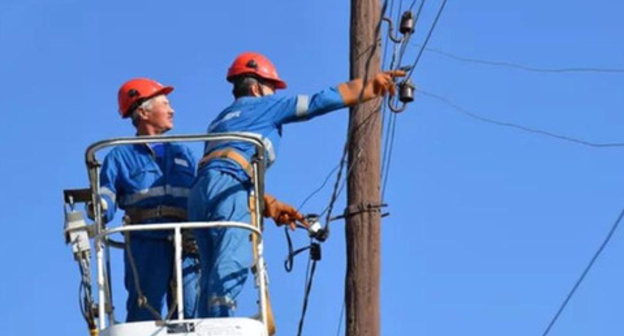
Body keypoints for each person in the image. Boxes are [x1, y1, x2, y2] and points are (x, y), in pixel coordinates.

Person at [188, 51, 405, 318]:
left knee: (209, 264)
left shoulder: (220, 120)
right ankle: (220, 323)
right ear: (256, 87)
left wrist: (268, 204)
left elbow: (222, 172)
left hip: (201, 194)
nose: (274, 93)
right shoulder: (264, 106)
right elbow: (317, 102)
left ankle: (205, 323)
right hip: (230, 187)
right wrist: (371, 86)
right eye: (271, 87)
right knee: (232, 256)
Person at [95, 78, 200, 322]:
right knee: (144, 308)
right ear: (143, 112)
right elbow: (106, 195)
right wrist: (99, 207)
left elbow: (199, 192)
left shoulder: (183, 152)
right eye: (165, 103)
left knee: (193, 310)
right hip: (145, 240)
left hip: (186, 240)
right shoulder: (121, 155)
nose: (172, 110)